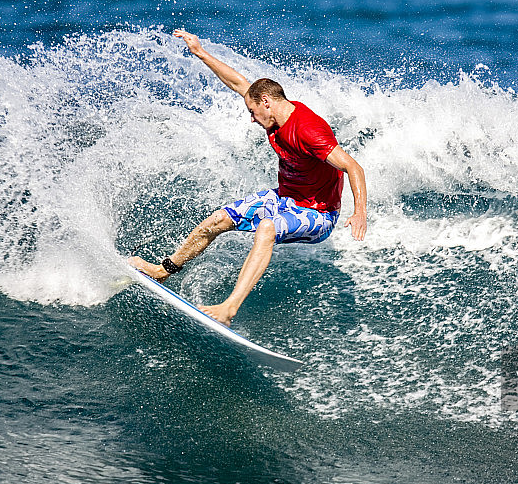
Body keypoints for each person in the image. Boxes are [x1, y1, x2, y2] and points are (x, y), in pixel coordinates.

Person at [129, 29, 368, 326]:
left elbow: (353, 167)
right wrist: (200, 52)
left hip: (319, 213)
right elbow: (238, 83)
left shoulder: (309, 130)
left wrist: (359, 212)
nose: (252, 119)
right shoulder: (273, 114)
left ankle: (228, 309)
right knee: (217, 220)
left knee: (267, 228)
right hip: (286, 198)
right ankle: (161, 271)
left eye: (253, 111)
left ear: (266, 101)